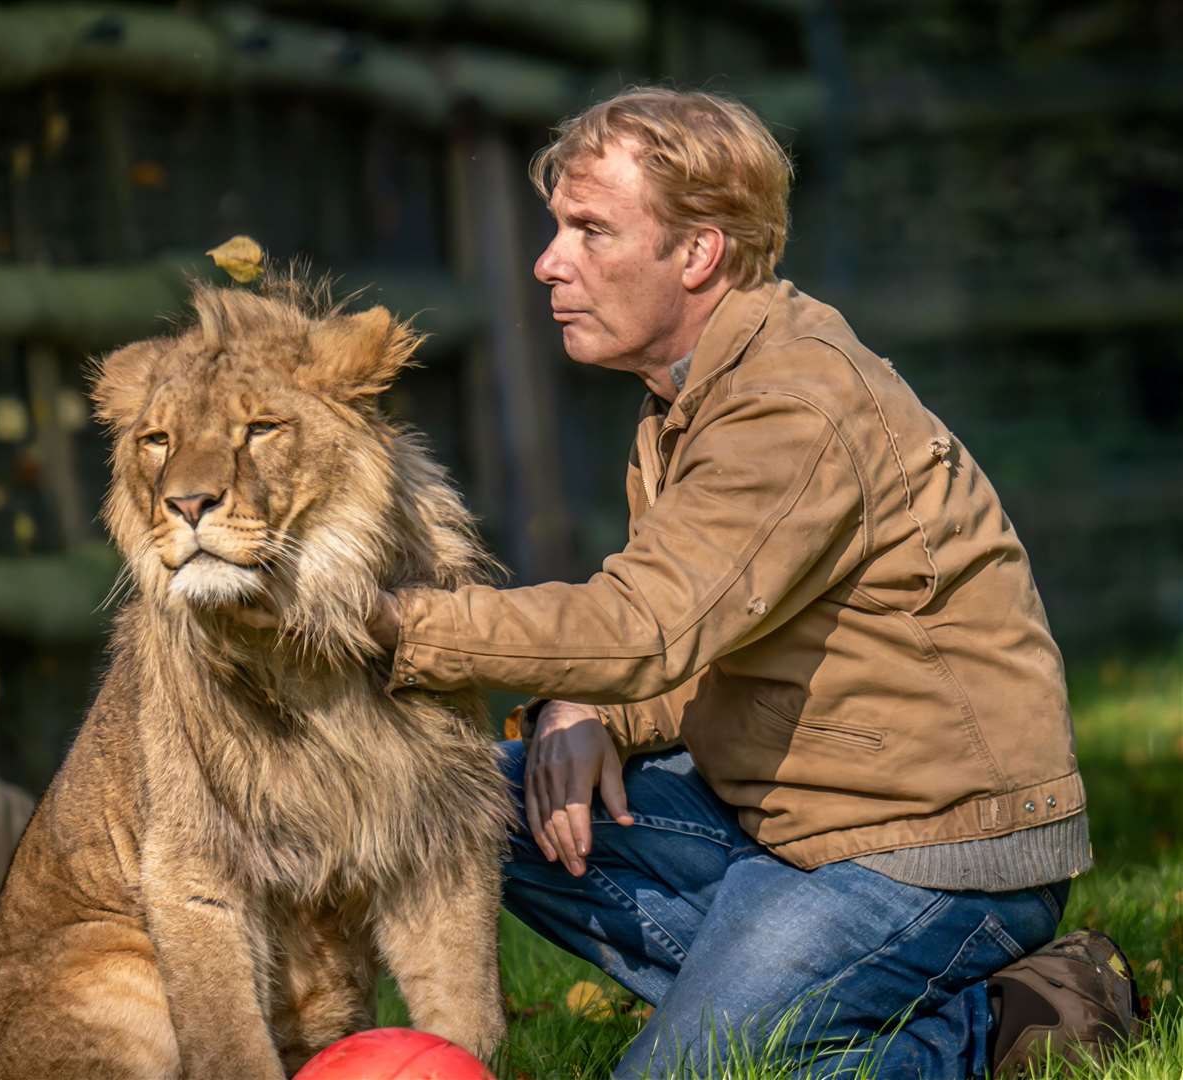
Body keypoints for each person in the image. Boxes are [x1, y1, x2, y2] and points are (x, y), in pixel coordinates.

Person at [360, 89, 1141, 1078]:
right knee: (473, 796)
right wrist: (591, 711)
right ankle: (793, 1000)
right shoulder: (685, 395)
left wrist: (380, 624)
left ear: (699, 253)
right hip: (788, 818)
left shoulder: (788, 408)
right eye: (558, 227)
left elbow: (642, 629)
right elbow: (707, 631)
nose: (548, 261)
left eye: (591, 230)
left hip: (932, 853)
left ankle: (1004, 1024)